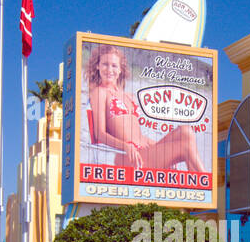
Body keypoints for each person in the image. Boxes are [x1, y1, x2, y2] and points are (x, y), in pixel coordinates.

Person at [87, 44, 207, 175]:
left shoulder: (128, 96)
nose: (109, 69)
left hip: (144, 150)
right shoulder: (99, 92)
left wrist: (161, 148)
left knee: (186, 131)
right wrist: (126, 146)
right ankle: (207, 182)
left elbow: (136, 134)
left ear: (120, 69)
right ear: (97, 66)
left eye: (114, 65)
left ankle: (197, 185)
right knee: (185, 147)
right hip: (128, 156)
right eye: (105, 64)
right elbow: (100, 134)